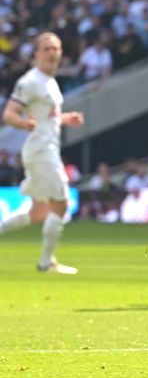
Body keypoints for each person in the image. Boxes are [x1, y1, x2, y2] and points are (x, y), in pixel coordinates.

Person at [0, 32, 85, 273]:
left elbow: (48, 116)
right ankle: (46, 262)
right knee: (61, 203)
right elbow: (9, 113)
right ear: (36, 54)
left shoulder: (49, 81)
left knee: (38, 212)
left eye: (56, 48)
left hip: (44, 149)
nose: (52, 53)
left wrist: (67, 118)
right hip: (41, 151)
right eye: (46, 49)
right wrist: (22, 123)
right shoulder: (30, 81)